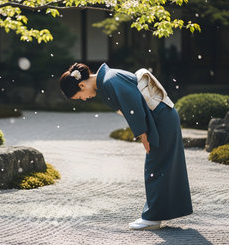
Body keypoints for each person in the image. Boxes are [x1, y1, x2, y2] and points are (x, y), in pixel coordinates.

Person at [59, 63, 193, 230]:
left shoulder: (109, 80)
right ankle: (160, 214)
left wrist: (142, 134)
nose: (85, 99)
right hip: (162, 116)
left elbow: (133, 105)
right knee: (163, 165)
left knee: (155, 167)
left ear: (81, 85)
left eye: (80, 96)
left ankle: (153, 218)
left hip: (161, 119)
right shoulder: (109, 79)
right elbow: (132, 104)